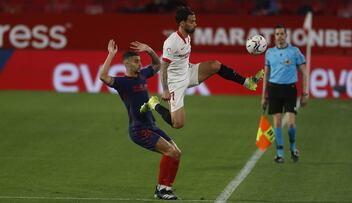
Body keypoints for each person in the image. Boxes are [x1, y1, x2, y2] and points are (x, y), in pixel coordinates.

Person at [141, 6, 264, 129]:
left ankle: (248, 82)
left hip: (188, 72)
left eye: (195, 20)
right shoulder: (171, 42)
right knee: (178, 124)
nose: (196, 24)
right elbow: (163, 67)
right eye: (192, 21)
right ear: (182, 24)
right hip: (175, 83)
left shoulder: (187, 37)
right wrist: (165, 90)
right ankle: (154, 103)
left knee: (214, 65)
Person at [99, 39, 181, 200]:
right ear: (127, 64)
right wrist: (111, 54)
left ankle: (166, 188)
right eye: (136, 61)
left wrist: (149, 50)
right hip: (139, 130)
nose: (140, 63)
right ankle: (161, 189)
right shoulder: (122, 83)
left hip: (151, 125)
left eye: (140, 61)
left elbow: (157, 65)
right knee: (170, 151)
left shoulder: (143, 74)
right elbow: (103, 76)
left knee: (177, 153)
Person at [261, 25, 309, 163]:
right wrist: (263, 96)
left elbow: (304, 73)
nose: (280, 36)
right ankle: (280, 153)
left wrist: (305, 93)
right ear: (274, 36)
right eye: (277, 34)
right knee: (276, 121)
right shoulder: (269, 53)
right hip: (274, 89)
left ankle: (293, 147)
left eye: (282, 33)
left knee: (291, 123)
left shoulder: (294, 51)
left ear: (286, 35)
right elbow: (266, 75)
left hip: (289, 89)